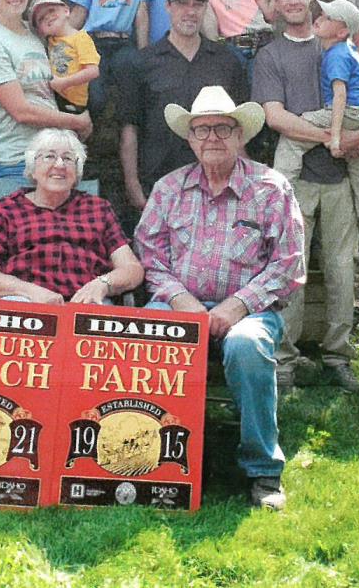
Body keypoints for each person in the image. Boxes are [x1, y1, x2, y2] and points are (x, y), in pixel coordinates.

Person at [133, 86, 305, 511]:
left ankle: (263, 470)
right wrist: (182, 302)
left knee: (247, 347)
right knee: (146, 337)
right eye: (202, 129)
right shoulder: (169, 188)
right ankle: (148, 459)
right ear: (189, 138)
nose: (212, 137)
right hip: (177, 305)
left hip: (249, 311)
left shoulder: (271, 187)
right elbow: (148, 256)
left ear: (240, 135)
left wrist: (237, 305)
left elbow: (289, 262)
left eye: (223, 128)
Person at [252, 0, 359, 394]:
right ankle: (284, 362)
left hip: (339, 181)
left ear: (313, 0)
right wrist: (332, 138)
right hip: (296, 184)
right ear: (278, 5)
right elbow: (274, 116)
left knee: (342, 271)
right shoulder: (271, 56)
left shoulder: (338, 45)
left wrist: (357, 137)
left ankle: (338, 356)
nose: (295, 0)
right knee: (291, 271)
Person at [271, 0, 359, 262]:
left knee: (294, 134)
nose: (318, 19)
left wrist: (335, 137)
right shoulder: (348, 48)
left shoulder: (335, 55)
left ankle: (277, 203)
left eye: (326, 18)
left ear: (342, 30)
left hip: (344, 112)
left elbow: (339, 96)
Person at [118, 0, 248, 218]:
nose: (190, 11)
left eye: (197, 3)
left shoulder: (227, 62)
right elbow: (129, 128)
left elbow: (240, 129)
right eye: (182, 2)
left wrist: (245, 182)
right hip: (158, 184)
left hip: (219, 186)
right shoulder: (142, 63)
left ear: (206, 8)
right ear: (168, 6)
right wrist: (133, 186)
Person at [0, 128, 143, 305]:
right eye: (49, 157)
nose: (59, 165)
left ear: (77, 171)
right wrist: (30, 291)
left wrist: (102, 284)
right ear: (32, 168)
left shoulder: (99, 209)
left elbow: (132, 268)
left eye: (68, 158)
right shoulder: (6, 210)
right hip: (25, 300)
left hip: (85, 302)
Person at [0, 0, 93, 179]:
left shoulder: (36, 32)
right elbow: (21, 111)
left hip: (57, 154)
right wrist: (77, 121)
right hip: (18, 159)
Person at [29, 0, 100, 114]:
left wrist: (64, 82)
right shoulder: (48, 41)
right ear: (40, 31)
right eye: (41, 19)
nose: (47, 17)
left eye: (51, 10)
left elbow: (93, 71)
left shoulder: (81, 38)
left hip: (73, 102)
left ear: (66, 11)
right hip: (53, 98)